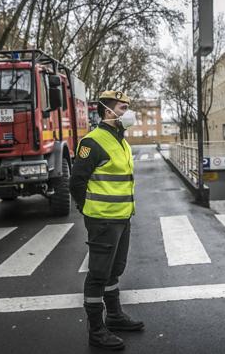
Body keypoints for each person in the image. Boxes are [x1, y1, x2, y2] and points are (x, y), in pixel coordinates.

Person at [70, 90, 144, 351]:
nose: (128, 113)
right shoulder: (93, 142)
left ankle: (114, 316)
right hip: (102, 219)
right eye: (123, 108)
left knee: (115, 270)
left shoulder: (121, 141)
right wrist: (87, 209)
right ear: (107, 111)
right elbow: (77, 181)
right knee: (99, 274)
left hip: (122, 217)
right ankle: (96, 329)